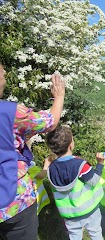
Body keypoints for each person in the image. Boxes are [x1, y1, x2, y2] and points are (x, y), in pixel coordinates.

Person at [0, 63, 65, 240]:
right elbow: (50, 121)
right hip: (13, 200)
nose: (5, 71)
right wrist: (59, 97)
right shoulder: (9, 112)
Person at [46, 126, 104, 240]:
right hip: (88, 209)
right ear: (71, 145)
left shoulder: (51, 168)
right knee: (95, 232)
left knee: (74, 235)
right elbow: (93, 181)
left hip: (69, 213)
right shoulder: (80, 165)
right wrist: (100, 165)